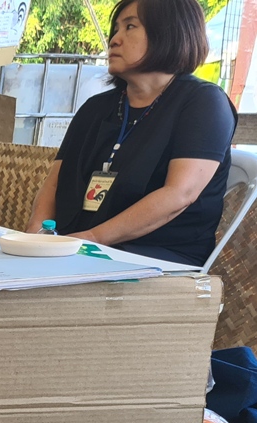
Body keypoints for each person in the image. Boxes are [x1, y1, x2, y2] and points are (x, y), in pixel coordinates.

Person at [26, 0, 236, 266]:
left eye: (130, 27)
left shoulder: (203, 102)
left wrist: (91, 239)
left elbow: (179, 194)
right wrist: (35, 239)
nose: (114, 39)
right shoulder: (95, 108)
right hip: (77, 248)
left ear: (169, 32)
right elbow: (54, 183)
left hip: (158, 259)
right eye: (115, 29)